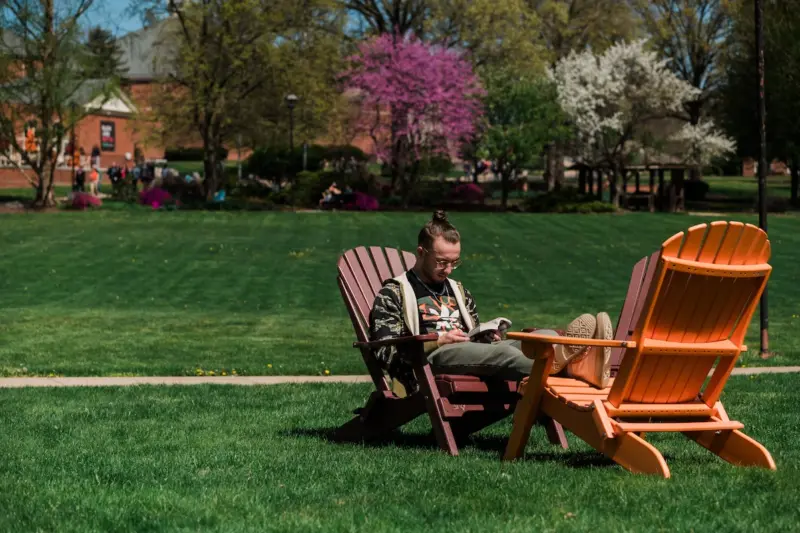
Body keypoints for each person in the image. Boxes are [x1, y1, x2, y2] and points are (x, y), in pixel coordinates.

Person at [369, 210, 613, 394]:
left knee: (542, 337)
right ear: (421, 253)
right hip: (427, 363)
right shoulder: (394, 293)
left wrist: (485, 334)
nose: (449, 270)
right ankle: (577, 369)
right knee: (504, 355)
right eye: (442, 262)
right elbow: (383, 350)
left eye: (455, 262)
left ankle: (568, 358)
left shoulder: (459, 291)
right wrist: (438, 341)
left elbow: (472, 334)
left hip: (470, 352)